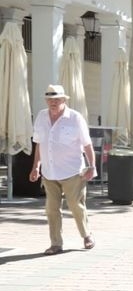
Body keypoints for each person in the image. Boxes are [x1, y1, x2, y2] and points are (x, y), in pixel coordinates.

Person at [29, 84, 95, 255]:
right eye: (50, 99)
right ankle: (56, 243)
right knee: (51, 209)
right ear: (46, 100)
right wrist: (36, 166)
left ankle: (87, 235)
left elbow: (87, 145)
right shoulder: (41, 117)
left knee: (75, 205)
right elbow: (39, 143)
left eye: (57, 99)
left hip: (72, 171)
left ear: (64, 100)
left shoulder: (75, 117)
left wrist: (92, 166)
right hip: (49, 172)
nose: (53, 102)